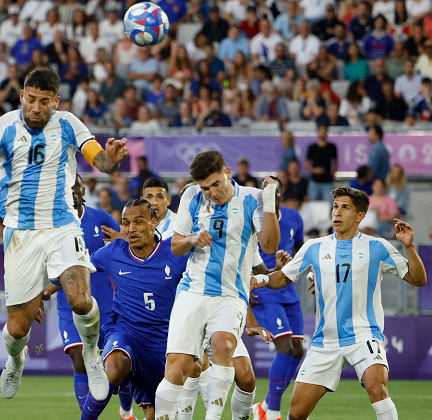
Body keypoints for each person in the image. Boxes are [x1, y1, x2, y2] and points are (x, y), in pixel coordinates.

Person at [0, 67, 128, 402]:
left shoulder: (68, 123)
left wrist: (110, 162)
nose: (36, 107)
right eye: (31, 99)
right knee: (18, 330)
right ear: (22, 95)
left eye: (44, 101)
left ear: (55, 102)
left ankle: (93, 353)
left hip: (62, 225)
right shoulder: (5, 126)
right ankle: (15, 358)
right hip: (20, 234)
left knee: (81, 299)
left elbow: (98, 158)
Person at [252, 187, 427, 420]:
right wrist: (260, 279)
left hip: (364, 335)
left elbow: (418, 279)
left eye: (345, 207)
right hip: (326, 341)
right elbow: (282, 277)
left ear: (360, 216)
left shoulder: (377, 247)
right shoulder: (314, 246)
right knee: (296, 413)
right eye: (335, 206)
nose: (337, 212)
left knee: (377, 388)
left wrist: (409, 246)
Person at [154, 150, 280, 420]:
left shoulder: (252, 198)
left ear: (228, 173)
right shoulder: (191, 196)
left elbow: (270, 245)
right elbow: (175, 246)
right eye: (205, 187)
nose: (211, 192)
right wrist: (191, 240)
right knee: (176, 370)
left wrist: (269, 200)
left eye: (216, 184)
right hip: (192, 292)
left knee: (223, 346)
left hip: (230, 294)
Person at [45, 198, 190, 420]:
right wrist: (42, 294)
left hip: (163, 343)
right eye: (126, 223)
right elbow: (78, 270)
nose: (131, 229)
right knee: (113, 369)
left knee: (157, 414)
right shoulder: (113, 252)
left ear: (154, 223)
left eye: (139, 222)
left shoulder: (176, 253)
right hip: (125, 332)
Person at [54, 175, 133, 417]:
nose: (72, 191)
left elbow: (129, 250)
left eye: (75, 185)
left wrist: (123, 239)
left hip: (107, 305)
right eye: (66, 188)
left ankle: (127, 410)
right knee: (79, 358)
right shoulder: (51, 225)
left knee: (121, 366)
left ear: (82, 189)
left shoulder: (101, 219)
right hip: (69, 306)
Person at [250, 179, 306, 420]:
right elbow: (245, 256)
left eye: (274, 193)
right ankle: (272, 411)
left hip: (288, 292)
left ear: (281, 195)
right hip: (264, 292)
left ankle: (264, 406)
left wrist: (311, 273)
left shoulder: (294, 217)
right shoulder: (252, 219)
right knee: (284, 348)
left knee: (297, 350)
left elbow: (302, 249)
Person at [305, 124, 338, 202]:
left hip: (327, 181)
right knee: (312, 203)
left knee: (330, 204)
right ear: (318, 132)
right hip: (315, 181)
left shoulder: (332, 147)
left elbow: (335, 162)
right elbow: (307, 163)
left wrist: (333, 173)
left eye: (324, 131)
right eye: (321, 131)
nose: (322, 133)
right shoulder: (312, 147)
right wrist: (314, 170)